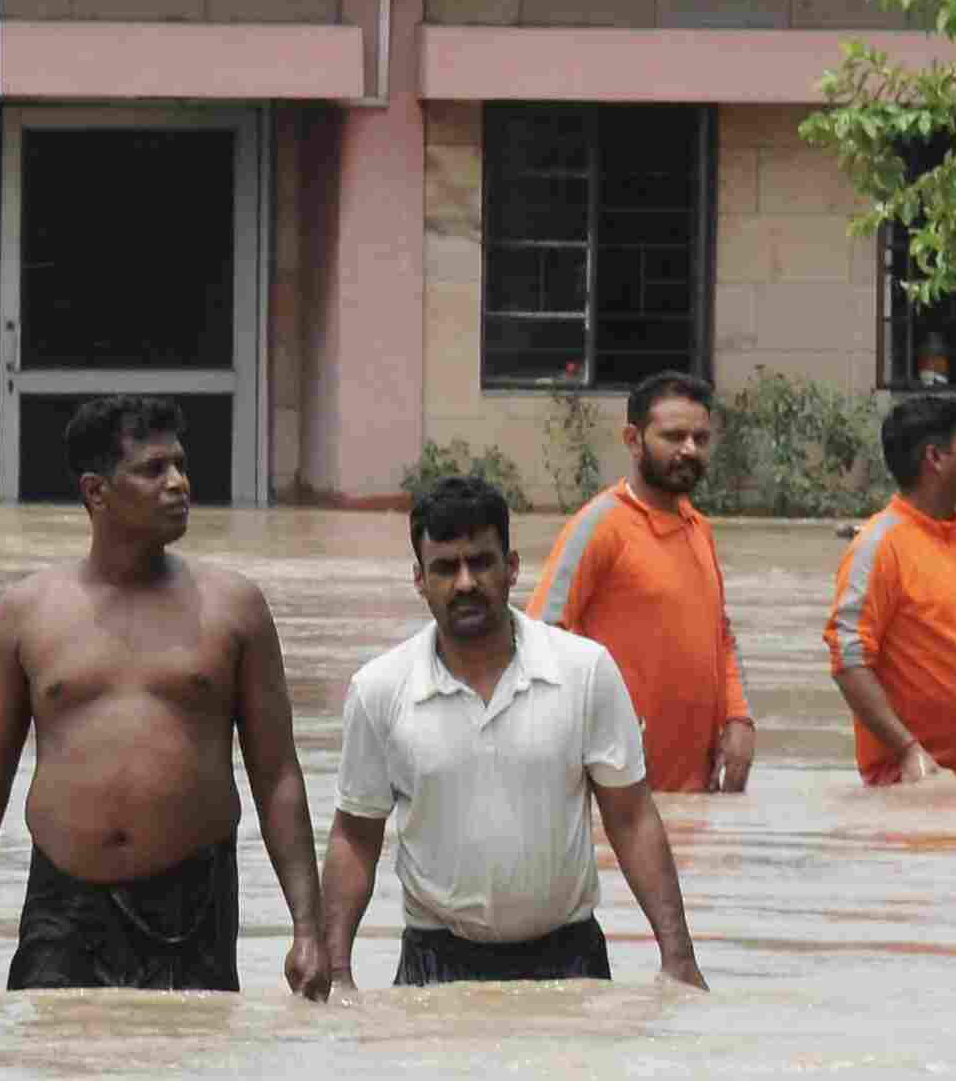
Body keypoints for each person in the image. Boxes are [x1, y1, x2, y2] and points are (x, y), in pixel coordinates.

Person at [0, 395, 329, 994]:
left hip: (193, 905)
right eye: (153, 469)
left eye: (181, 464)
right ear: (96, 491)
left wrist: (307, 931)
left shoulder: (235, 608)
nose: (179, 483)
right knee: (64, 1080)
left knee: (187, 1078)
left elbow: (279, 775)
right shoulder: (26, 614)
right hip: (64, 907)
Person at [322, 475, 709, 991]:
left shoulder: (584, 670)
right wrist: (336, 969)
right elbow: (356, 835)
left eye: (481, 562)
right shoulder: (379, 689)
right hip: (435, 963)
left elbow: (633, 817)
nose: (465, 583)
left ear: (512, 568)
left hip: (570, 958)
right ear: (419, 579)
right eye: (444, 567)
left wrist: (678, 958)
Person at [522, 370, 755, 793]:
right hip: (614, 794)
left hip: (694, 790)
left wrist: (739, 719)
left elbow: (721, 637)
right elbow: (539, 638)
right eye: (674, 436)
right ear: (634, 439)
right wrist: (592, 737)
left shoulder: (699, 529)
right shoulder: (600, 525)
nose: (689, 449)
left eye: (701, 439)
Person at [823, 396, 956, 783]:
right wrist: (908, 752)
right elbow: (848, 660)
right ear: (935, 458)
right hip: (917, 791)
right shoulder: (878, 546)